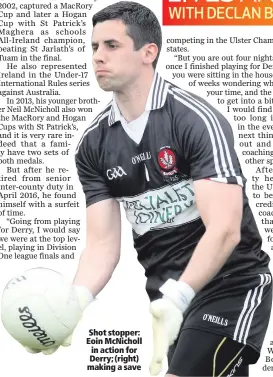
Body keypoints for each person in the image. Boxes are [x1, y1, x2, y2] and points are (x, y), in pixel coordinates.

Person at [28, 2, 273, 376]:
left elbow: (225, 230)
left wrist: (180, 296)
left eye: (111, 45)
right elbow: (102, 245)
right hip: (168, 302)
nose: (98, 57)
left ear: (148, 52)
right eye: (94, 47)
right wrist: (74, 302)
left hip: (231, 286)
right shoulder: (93, 145)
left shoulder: (195, 120)